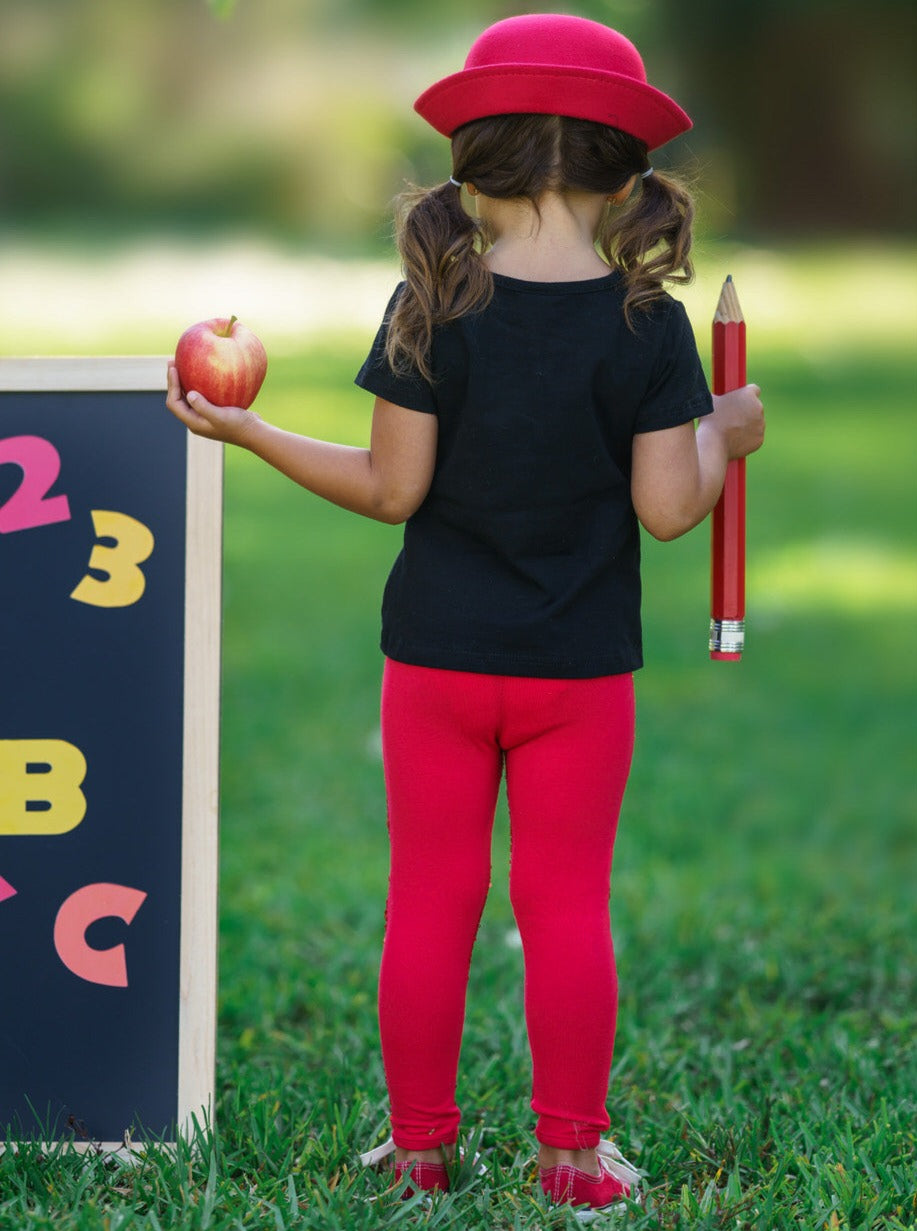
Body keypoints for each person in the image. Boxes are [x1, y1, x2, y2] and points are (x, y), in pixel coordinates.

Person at [165, 12, 765, 1216]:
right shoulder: (647, 325)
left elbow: (390, 489)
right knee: (566, 906)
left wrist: (251, 429)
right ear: (625, 178)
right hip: (575, 674)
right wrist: (721, 430)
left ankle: (420, 1152)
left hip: (435, 663)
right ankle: (572, 1156)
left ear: (470, 165)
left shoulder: (431, 300)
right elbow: (668, 511)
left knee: (431, 902)